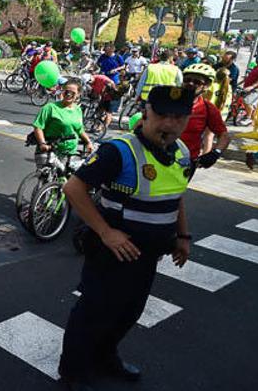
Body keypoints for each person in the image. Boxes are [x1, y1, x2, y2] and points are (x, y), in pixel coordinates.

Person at [58, 86, 196, 391]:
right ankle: (73, 373)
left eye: (178, 117)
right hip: (111, 255)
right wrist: (106, 232)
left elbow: (177, 197)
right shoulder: (120, 151)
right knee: (93, 314)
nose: (169, 124)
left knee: (128, 312)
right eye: (161, 115)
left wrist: (183, 235)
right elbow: (73, 189)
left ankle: (106, 358)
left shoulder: (183, 153)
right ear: (146, 112)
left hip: (148, 255)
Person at [32, 77, 94, 169]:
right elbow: (38, 126)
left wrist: (88, 142)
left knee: (63, 179)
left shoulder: (78, 110)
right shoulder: (50, 107)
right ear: (62, 91)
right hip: (50, 149)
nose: (68, 94)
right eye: (66, 91)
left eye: (73, 93)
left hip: (69, 152)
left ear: (78, 95)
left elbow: (79, 129)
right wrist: (42, 143)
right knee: (47, 177)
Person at [178, 63, 230, 167]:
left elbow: (224, 136)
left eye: (197, 82)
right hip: (155, 156)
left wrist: (215, 153)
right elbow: (142, 122)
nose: (191, 83)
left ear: (206, 86)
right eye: (187, 80)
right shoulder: (166, 100)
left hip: (184, 162)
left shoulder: (207, 108)